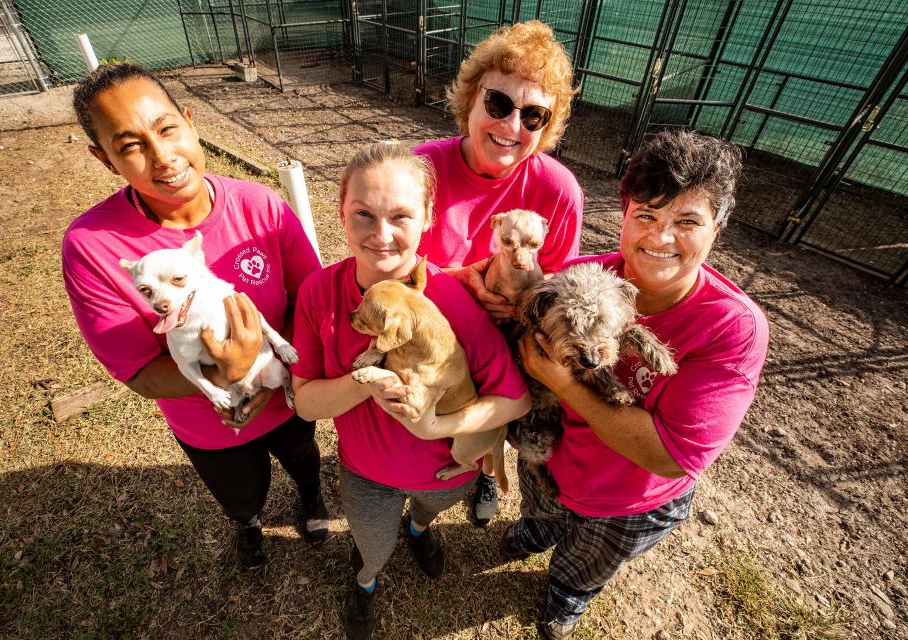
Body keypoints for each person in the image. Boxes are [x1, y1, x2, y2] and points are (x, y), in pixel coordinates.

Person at [502, 129, 770, 639]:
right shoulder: (578, 276)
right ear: (624, 215)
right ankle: (534, 532)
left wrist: (562, 382)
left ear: (718, 228)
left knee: (584, 566)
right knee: (539, 510)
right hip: (551, 460)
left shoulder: (733, 327)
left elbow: (670, 457)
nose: (661, 237)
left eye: (687, 222)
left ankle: (565, 598)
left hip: (629, 502)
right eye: (646, 215)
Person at [62, 63, 329, 569]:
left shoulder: (261, 206)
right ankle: (249, 526)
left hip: (287, 394)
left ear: (189, 120)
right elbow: (138, 371)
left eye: (167, 129)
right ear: (105, 160)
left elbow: (308, 299)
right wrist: (225, 376)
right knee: (241, 493)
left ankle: (312, 500)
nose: (163, 157)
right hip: (210, 424)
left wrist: (265, 375)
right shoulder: (92, 247)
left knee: (303, 457)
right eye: (130, 146)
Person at [289, 142, 530, 640]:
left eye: (400, 215)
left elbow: (516, 401)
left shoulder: (453, 300)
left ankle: (419, 531)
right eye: (364, 214)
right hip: (365, 473)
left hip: (445, 472)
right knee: (371, 544)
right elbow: (307, 402)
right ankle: (366, 580)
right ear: (341, 211)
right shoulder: (318, 291)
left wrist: (436, 425)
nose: (381, 236)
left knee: (427, 514)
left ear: (427, 219)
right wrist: (370, 380)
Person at [415, 20, 584, 527]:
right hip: (437, 329)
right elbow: (391, 264)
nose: (512, 126)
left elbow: (557, 288)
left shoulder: (558, 191)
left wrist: (519, 305)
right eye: (498, 104)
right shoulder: (420, 170)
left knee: (508, 409)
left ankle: (488, 467)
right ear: (469, 99)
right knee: (424, 428)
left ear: (546, 129)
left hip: (508, 341)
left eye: (533, 115)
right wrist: (459, 279)